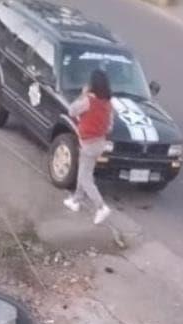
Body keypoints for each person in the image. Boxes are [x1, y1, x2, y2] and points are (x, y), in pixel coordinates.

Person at [64, 69, 113, 225]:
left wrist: (83, 94)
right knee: (85, 171)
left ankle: (101, 207)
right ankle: (76, 200)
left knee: (86, 178)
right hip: (100, 142)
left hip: (89, 143)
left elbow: (71, 111)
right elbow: (110, 126)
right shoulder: (108, 104)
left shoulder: (88, 101)